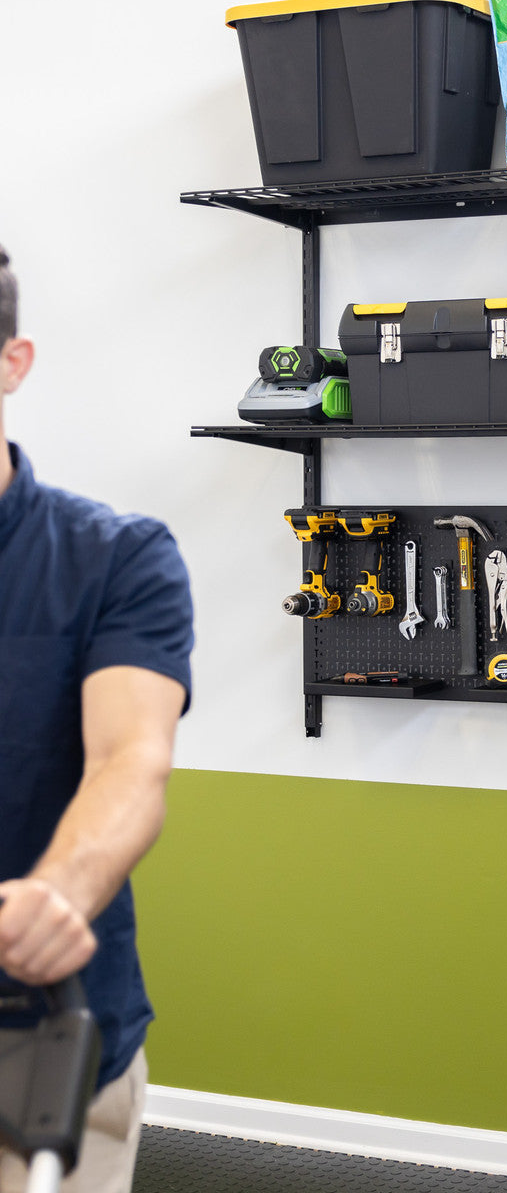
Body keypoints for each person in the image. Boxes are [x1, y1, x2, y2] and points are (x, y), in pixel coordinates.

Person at [0, 243, 194, 1193]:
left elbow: (129, 762)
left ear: (12, 363)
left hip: (43, 1051)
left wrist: (58, 894)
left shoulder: (116, 559)